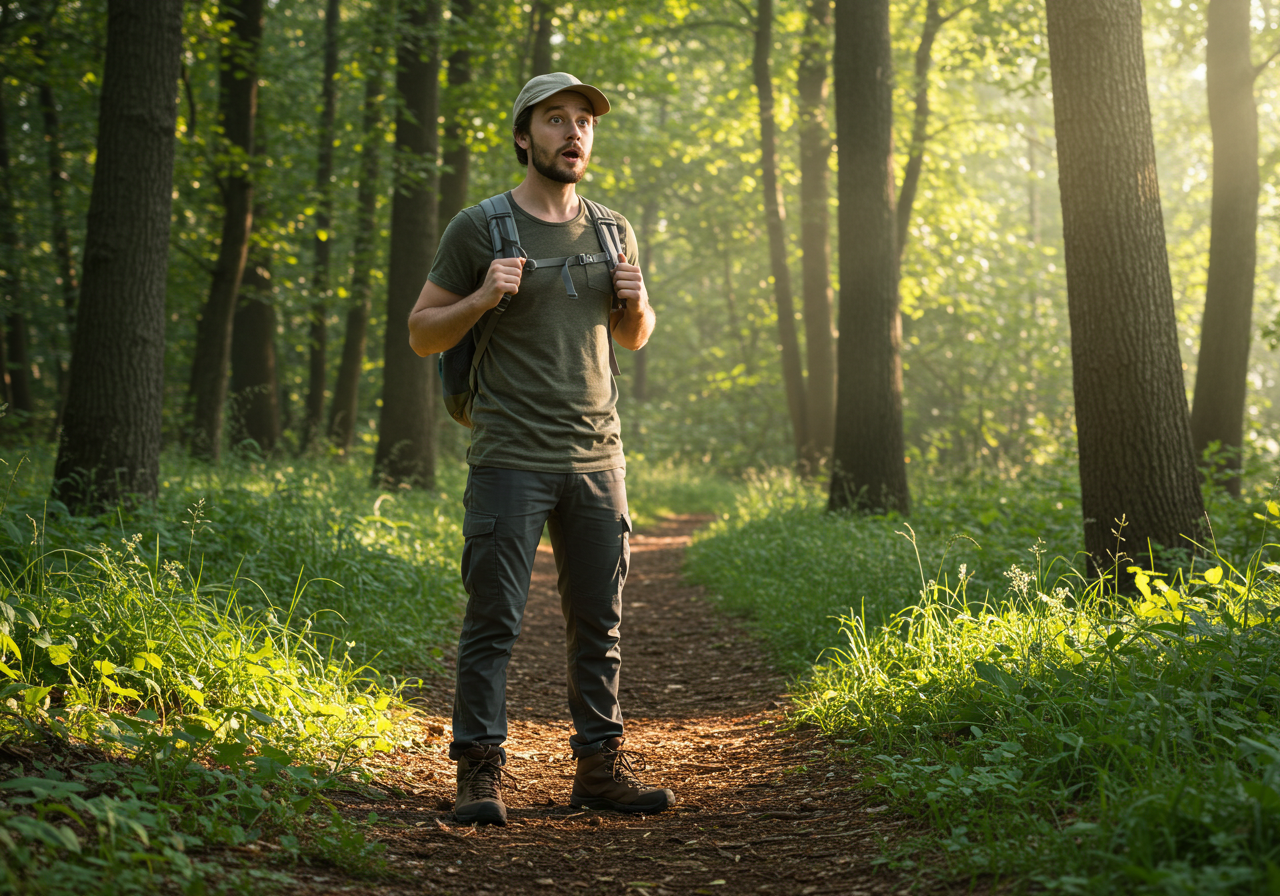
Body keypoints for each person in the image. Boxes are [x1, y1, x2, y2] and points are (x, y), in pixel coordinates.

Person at [407, 72, 674, 826]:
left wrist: (637, 301)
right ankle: (479, 776)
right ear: (525, 137)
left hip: (599, 457)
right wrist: (482, 297)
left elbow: (632, 336)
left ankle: (598, 771)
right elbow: (422, 332)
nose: (574, 133)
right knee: (493, 618)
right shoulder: (480, 228)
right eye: (556, 120)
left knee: (601, 621)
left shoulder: (613, 229)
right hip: (509, 457)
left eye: (584, 121)